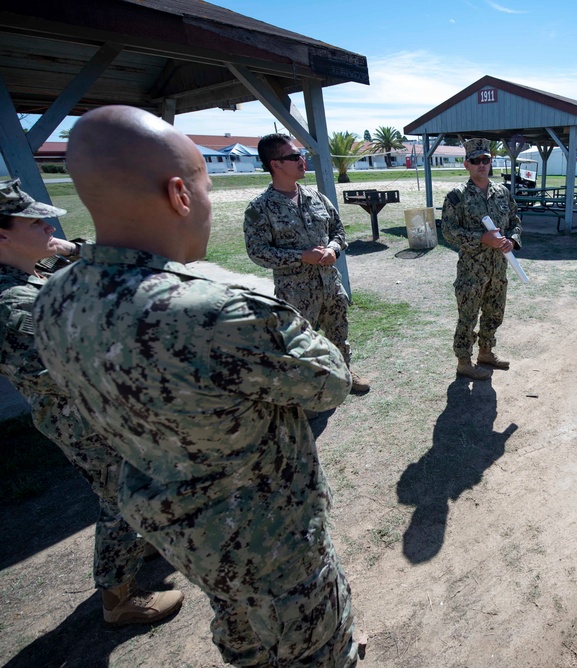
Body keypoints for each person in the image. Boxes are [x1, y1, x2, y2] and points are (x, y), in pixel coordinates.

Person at [33, 106, 359, 667]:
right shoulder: (218, 310)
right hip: (269, 533)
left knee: (240, 629)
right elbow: (329, 383)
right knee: (318, 653)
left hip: (183, 534)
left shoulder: (53, 299)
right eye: (206, 185)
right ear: (181, 193)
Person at [0, 179, 184, 626]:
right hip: (88, 420)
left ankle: (147, 540)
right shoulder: (12, 304)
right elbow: (62, 376)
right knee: (123, 496)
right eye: (33, 221)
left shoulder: (30, 273)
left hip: (105, 410)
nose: (47, 224)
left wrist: (68, 250)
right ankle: (118, 598)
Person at [244, 133, 370, 395]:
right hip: (296, 293)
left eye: (301, 155)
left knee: (339, 335)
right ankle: (308, 390)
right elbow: (257, 252)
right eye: (294, 156)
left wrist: (334, 249)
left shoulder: (316, 198)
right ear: (275, 164)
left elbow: (338, 231)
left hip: (330, 285)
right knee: (300, 344)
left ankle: (344, 373)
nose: (302, 160)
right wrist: (301, 256)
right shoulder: (260, 208)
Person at [441, 138, 522, 381]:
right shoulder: (457, 197)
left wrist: (513, 240)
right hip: (471, 271)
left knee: (494, 311)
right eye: (476, 161)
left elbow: (516, 221)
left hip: (498, 268)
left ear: (491, 162)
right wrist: (480, 238)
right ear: (467, 164)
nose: (481, 165)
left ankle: (486, 353)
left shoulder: (502, 193)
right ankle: (464, 362)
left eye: (485, 160)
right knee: (468, 315)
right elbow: (448, 231)